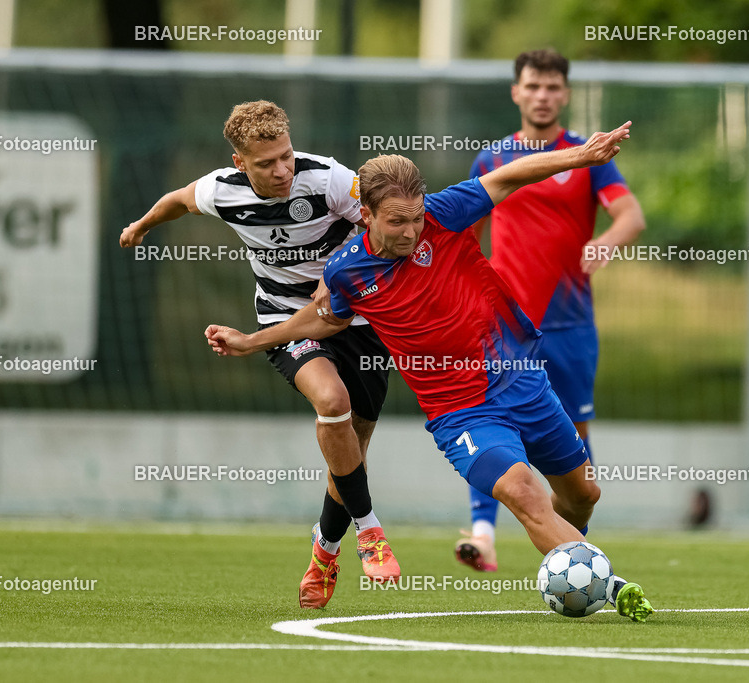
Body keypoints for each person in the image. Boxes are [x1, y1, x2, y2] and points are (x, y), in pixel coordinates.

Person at [205, 123, 653, 621]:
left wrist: (578, 158)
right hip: (461, 414)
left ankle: (572, 556)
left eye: (416, 218)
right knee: (525, 495)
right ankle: (606, 586)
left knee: (583, 494)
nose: (411, 230)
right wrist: (253, 340)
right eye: (397, 221)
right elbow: (324, 319)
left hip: (522, 381)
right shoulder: (346, 271)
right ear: (366, 215)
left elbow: (508, 177)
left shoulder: (443, 214)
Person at [119, 100, 399, 609]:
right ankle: (371, 531)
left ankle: (324, 551)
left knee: (352, 448)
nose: (282, 170)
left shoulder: (329, 179)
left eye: (286, 156)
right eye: (266, 163)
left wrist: (338, 266)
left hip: (360, 320)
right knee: (330, 401)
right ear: (239, 162)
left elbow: (383, 221)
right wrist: (141, 226)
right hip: (285, 322)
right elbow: (178, 200)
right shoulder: (221, 189)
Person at [457, 49, 646, 572]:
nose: (542, 96)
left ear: (565, 94)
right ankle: (482, 534)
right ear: (516, 92)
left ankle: (572, 553)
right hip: (504, 326)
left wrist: (607, 241)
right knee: (495, 421)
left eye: (552, 87)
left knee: (575, 444)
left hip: (570, 326)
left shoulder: (589, 158)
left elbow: (631, 214)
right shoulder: (492, 162)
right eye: (533, 86)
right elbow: (465, 239)